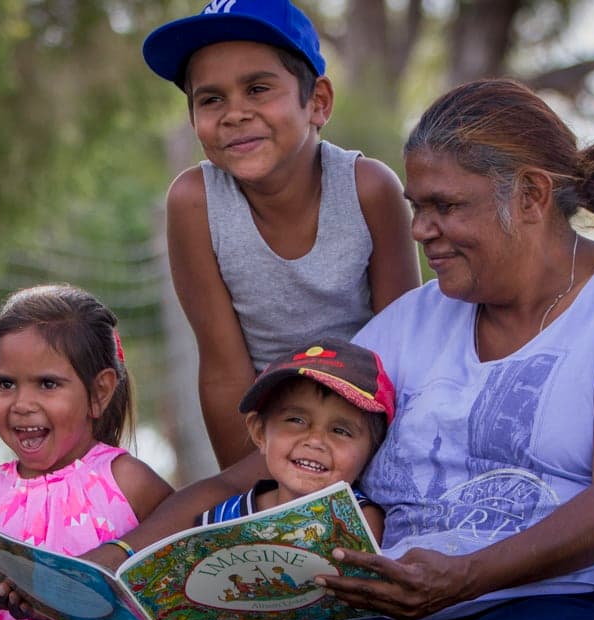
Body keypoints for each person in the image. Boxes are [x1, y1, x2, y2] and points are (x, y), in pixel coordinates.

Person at [99, 79, 594, 620]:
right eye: (416, 207)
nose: (418, 230)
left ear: (529, 197)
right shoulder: (413, 324)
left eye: (445, 206)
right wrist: (119, 559)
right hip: (420, 616)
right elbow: (257, 470)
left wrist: (466, 577)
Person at [142, 0, 420, 468]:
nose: (235, 113)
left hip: (372, 428)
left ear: (318, 102)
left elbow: (407, 350)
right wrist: (259, 496)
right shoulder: (195, 202)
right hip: (269, 441)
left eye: (257, 89)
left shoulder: (369, 189)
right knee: (185, 516)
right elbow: (223, 373)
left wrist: (387, 470)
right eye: (211, 99)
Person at [0, 284, 174, 620]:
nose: (22, 403)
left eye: (47, 384)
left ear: (100, 391)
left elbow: (178, 584)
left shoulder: (128, 483)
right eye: (6, 383)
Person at [197, 337, 388, 545]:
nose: (315, 441)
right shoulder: (222, 521)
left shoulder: (360, 519)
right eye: (296, 420)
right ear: (259, 432)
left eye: (340, 431)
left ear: (371, 454)